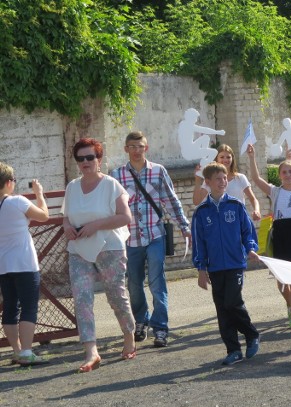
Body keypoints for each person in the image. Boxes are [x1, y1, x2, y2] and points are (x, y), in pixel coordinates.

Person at [63, 138, 137, 372]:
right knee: (82, 298)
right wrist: (66, 226)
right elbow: (66, 215)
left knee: (116, 294)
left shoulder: (111, 185)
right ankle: (91, 351)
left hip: (109, 246)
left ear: (99, 159)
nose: (85, 162)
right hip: (79, 250)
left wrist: (96, 225)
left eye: (90, 157)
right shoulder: (72, 187)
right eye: (81, 158)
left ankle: (129, 335)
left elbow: (125, 218)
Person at [111, 131, 191, 347]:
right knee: (134, 284)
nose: (136, 151)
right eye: (132, 147)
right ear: (126, 149)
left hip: (155, 235)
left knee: (157, 282)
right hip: (130, 238)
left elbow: (170, 200)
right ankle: (141, 321)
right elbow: (111, 207)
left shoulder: (158, 171)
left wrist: (184, 226)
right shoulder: (117, 175)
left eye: (140, 146)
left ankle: (161, 327)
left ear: (146, 148)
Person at [192, 162, 261, 365]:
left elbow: (247, 232)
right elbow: (199, 243)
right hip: (214, 267)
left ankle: (252, 334)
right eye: (218, 179)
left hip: (235, 263)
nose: (223, 182)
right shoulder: (201, 212)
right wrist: (201, 269)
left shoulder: (236, 206)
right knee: (222, 309)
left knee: (232, 301)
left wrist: (250, 249)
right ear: (208, 182)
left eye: (225, 178)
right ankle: (233, 350)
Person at [248, 144, 291, 329]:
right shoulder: (275, 191)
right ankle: (290, 305)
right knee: (281, 281)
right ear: (280, 175)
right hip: (279, 234)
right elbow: (256, 179)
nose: (288, 175)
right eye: (285, 172)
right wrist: (252, 157)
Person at [0, 164, 49, 366]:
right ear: (9, 182)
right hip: (24, 262)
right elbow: (44, 215)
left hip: (3, 265)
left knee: (10, 307)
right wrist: (39, 195)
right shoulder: (17, 202)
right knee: (29, 306)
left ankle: (17, 350)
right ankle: (27, 352)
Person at [192, 144, 261, 221]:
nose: (225, 160)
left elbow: (253, 199)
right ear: (216, 159)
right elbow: (197, 201)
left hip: (239, 221)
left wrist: (257, 210)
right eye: (222, 157)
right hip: (219, 223)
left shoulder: (240, 178)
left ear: (232, 159)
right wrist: (198, 180)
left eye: (228, 157)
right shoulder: (211, 180)